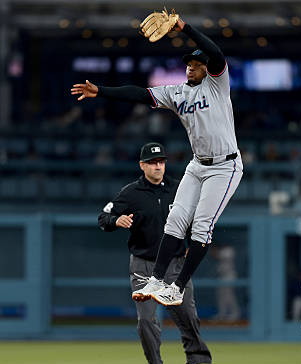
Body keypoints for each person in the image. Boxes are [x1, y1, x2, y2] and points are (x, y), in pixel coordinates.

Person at [72, 13, 243, 307]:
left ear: (207, 69)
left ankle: (177, 287)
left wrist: (184, 27)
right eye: (189, 64)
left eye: (197, 64)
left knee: (201, 226)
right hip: (198, 164)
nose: (192, 67)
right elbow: (138, 94)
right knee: (176, 219)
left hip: (225, 166)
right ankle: (157, 279)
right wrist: (100, 91)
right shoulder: (176, 93)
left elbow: (215, 52)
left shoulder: (217, 85)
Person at [98, 142, 212, 364]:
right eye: (152, 162)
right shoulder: (130, 193)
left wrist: (191, 240)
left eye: (161, 161)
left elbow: (195, 218)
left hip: (175, 265)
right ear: (142, 165)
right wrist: (116, 220)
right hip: (143, 265)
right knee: (147, 321)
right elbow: (103, 218)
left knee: (188, 316)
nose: (158, 165)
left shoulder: (179, 189)